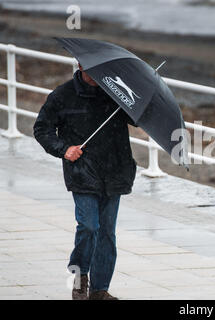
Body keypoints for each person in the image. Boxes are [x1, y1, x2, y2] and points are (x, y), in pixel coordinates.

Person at [33, 63, 137, 300]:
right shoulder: (62, 95)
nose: (97, 74)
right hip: (82, 172)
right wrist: (64, 149)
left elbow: (138, 120)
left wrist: (131, 96)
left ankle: (100, 290)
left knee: (107, 233)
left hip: (115, 171)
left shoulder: (115, 92)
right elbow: (42, 129)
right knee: (89, 226)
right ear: (80, 66)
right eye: (92, 69)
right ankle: (80, 276)